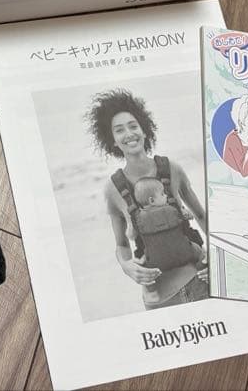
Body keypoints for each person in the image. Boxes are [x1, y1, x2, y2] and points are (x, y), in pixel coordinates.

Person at [88, 88, 209, 310]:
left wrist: (215, 257)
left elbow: (201, 215)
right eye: (119, 130)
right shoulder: (113, 189)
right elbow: (122, 245)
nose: (129, 133)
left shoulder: (172, 169)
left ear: (144, 130)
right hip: (159, 300)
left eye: (133, 126)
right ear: (113, 141)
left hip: (199, 283)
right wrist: (127, 267)